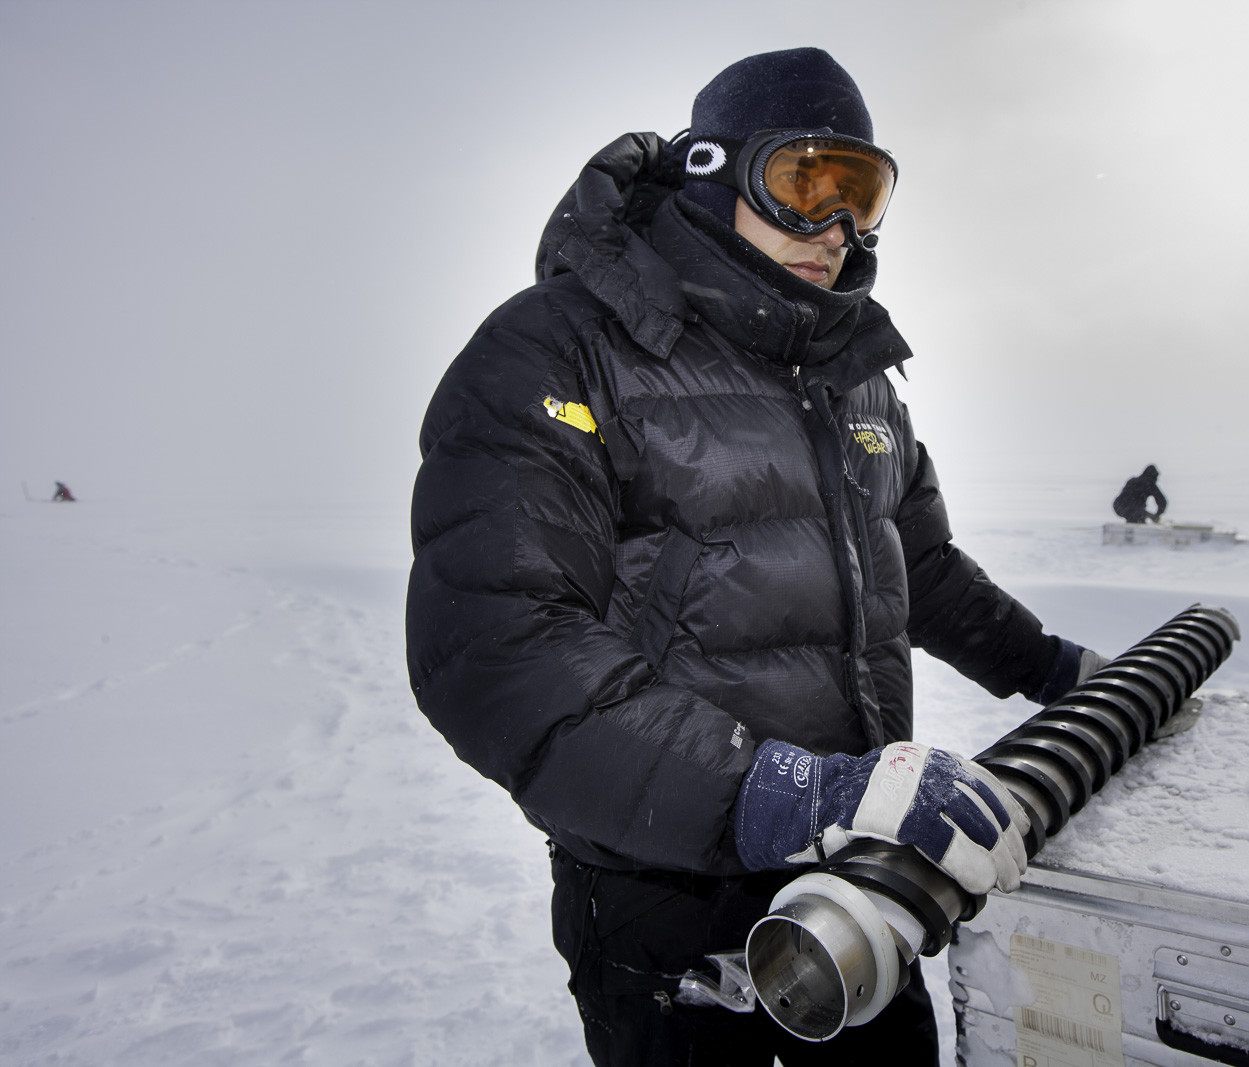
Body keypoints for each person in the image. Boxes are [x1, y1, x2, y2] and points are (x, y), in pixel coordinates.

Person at [406, 47, 1105, 1066]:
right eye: (802, 183)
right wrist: (777, 792)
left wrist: (1055, 670)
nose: (833, 230)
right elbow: (498, 645)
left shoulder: (854, 378)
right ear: (711, 169)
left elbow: (921, 569)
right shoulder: (557, 350)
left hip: (860, 880)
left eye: (859, 196)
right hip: (665, 901)